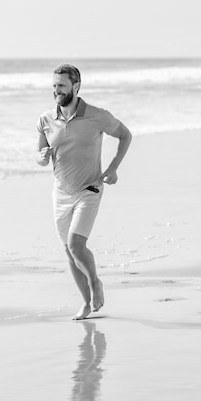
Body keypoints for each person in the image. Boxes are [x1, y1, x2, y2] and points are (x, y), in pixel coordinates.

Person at [36, 64, 132, 320]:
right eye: (54, 86)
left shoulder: (97, 116)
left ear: (76, 86)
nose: (56, 91)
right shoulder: (45, 120)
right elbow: (40, 155)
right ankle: (87, 304)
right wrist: (42, 157)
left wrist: (112, 168)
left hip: (89, 189)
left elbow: (125, 135)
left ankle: (95, 284)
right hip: (60, 192)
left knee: (76, 246)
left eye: (61, 86)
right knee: (69, 251)